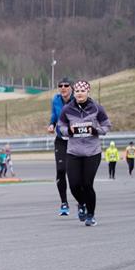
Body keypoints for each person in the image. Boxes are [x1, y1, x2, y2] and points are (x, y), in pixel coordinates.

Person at [58, 80, 111, 226]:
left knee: (87, 184)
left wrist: (96, 130)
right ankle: (82, 203)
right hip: (73, 152)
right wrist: (68, 131)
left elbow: (107, 125)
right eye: (77, 91)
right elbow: (61, 125)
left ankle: (91, 215)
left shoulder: (97, 108)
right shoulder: (67, 109)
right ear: (74, 93)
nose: (80, 94)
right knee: (74, 185)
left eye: (82, 91)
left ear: (88, 92)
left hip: (92, 152)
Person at [48, 77, 74, 215]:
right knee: (61, 170)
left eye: (66, 85)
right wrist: (52, 124)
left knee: (74, 174)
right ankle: (64, 203)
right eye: (60, 85)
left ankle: (82, 202)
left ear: (71, 87)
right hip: (60, 139)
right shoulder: (56, 99)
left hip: (75, 140)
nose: (63, 88)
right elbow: (54, 114)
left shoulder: (77, 99)